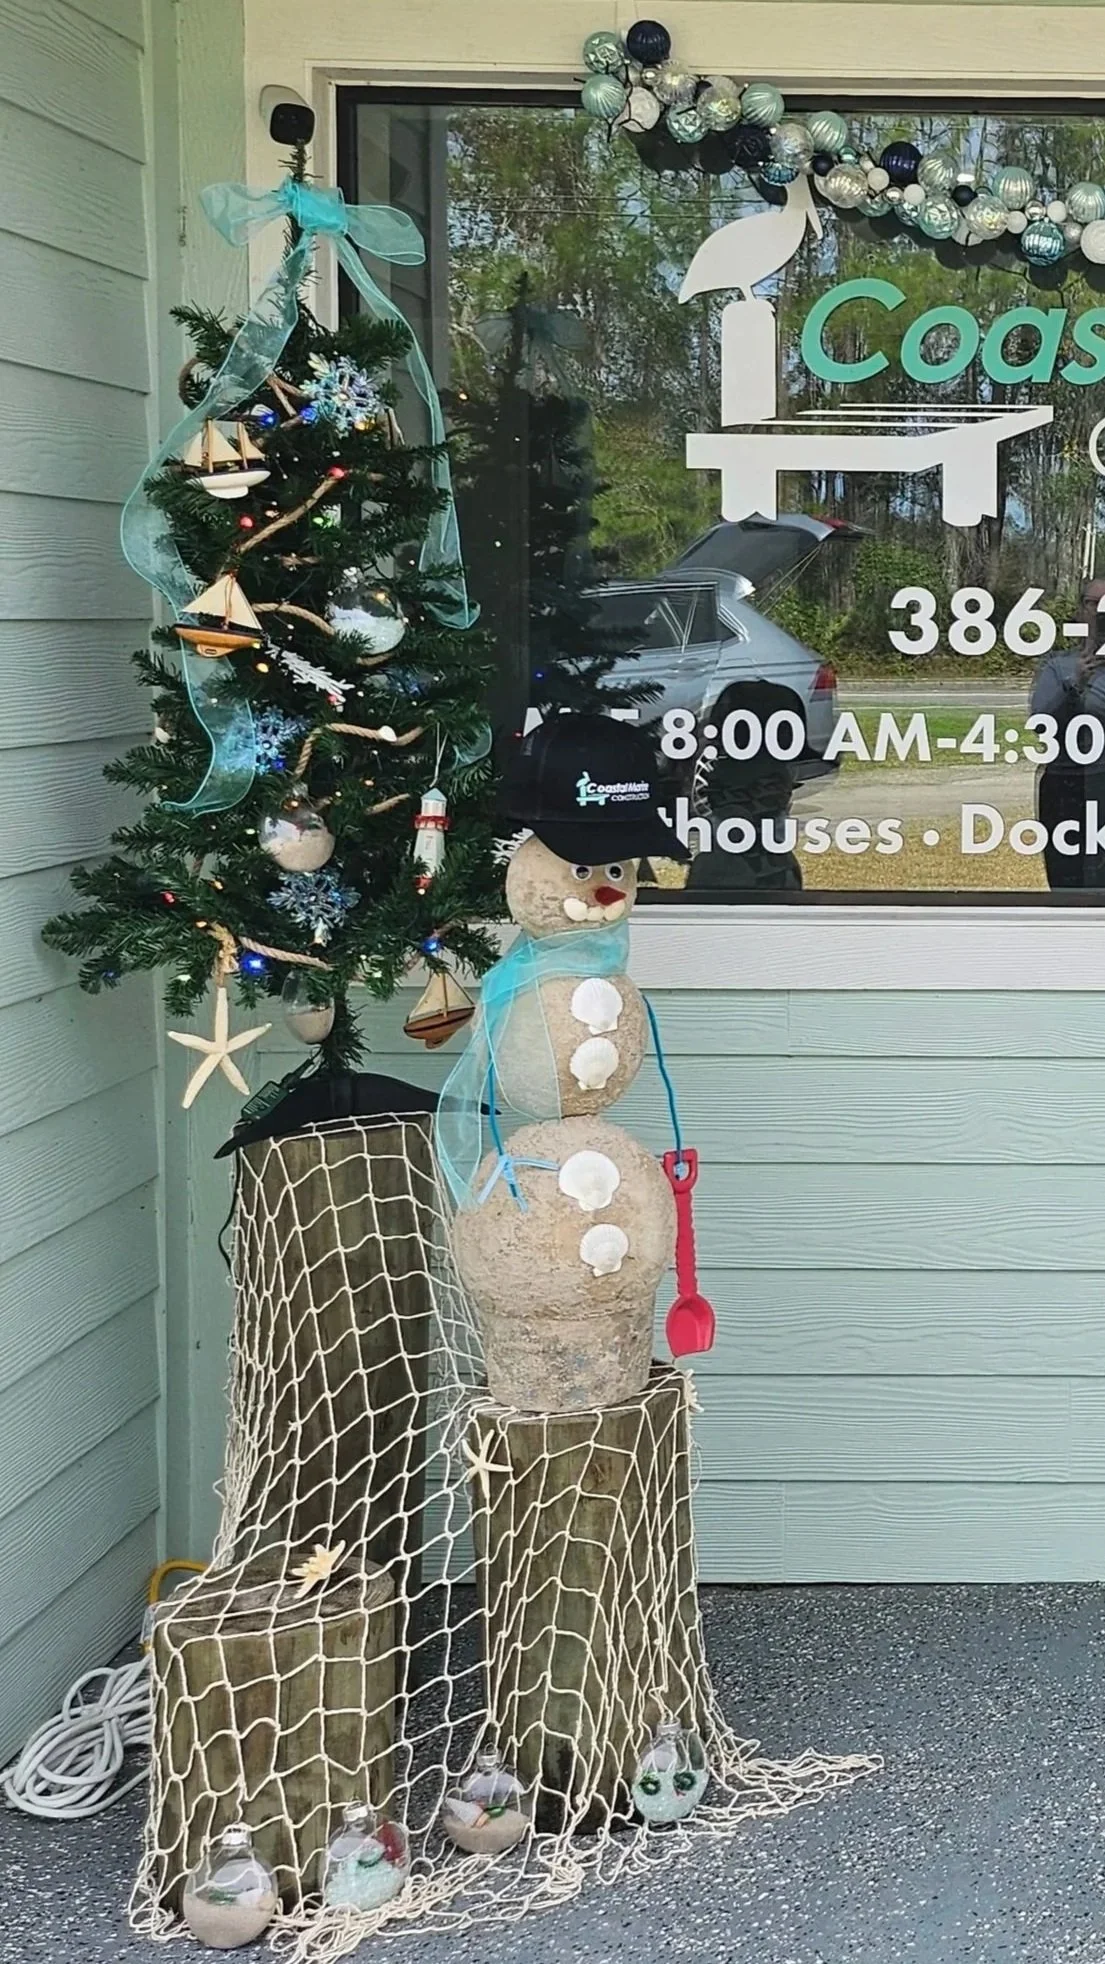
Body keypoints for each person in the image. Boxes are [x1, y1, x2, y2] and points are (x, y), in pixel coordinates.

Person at [1030, 577, 1105, 890]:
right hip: (1065, 783)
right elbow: (1039, 723)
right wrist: (1075, 684)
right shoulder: (1057, 665)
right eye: (1092, 603)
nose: (1099, 612)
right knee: (1067, 880)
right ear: (1080, 610)